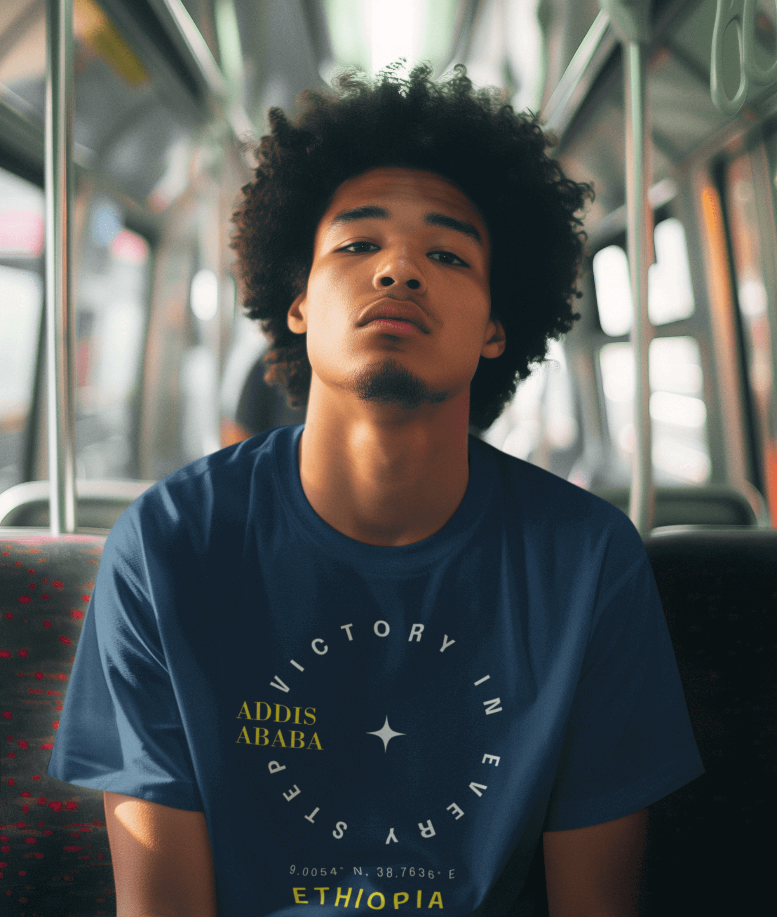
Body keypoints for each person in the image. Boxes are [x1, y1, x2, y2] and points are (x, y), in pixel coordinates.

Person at [48, 65, 703, 917]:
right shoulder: (169, 545)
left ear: (497, 326)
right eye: (356, 245)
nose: (397, 268)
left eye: (446, 253)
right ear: (297, 302)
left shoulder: (585, 562)